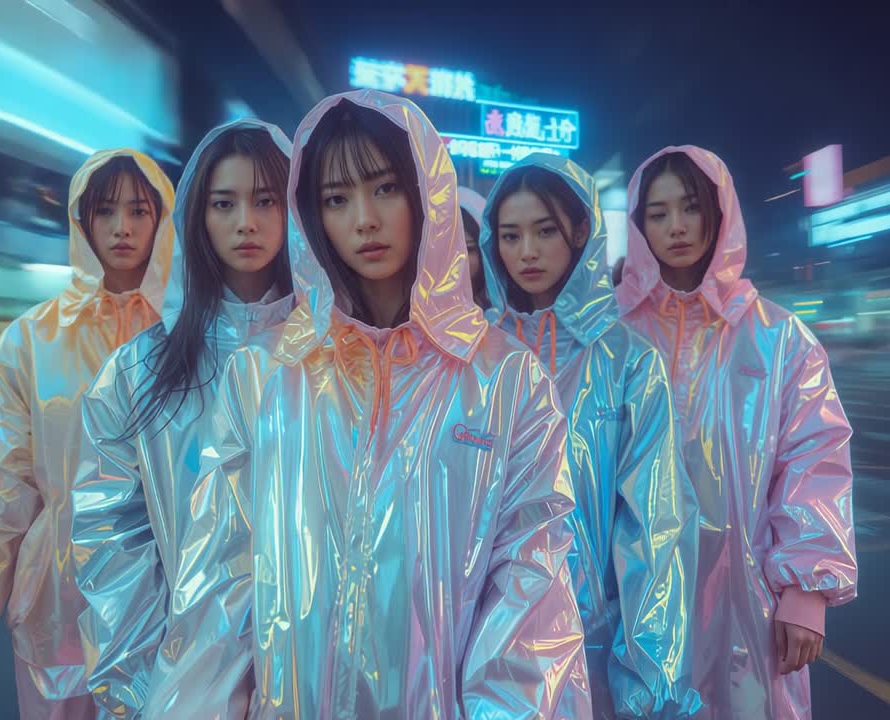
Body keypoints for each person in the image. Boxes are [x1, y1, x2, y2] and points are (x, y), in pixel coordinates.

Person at [155, 90, 591, 718]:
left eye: (385, 189)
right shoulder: (266, 374)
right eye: (337, 199)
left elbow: (530, 582)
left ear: (426, 195)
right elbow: (220, 581)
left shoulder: (506, 380)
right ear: (312, 214)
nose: (363, 219)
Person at [0, 149, 175, 719]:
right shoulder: (28, 344)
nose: (122, 227)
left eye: (139, 211)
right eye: (105, 211)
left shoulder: (189, 332)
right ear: (81, 220)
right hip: (60, 609)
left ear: (163, 219)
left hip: (172, 602)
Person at [617, 146, 857, 719]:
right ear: (638, 225)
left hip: (746, 598)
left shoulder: (779, 338)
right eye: (657, 213)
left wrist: (805, 590)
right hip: (628, 593)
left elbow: (814, 458)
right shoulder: (613, 336)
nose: (676, 227)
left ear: (720, 212)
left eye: (690, 207)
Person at [70, 119, 296, 720]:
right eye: (224, 203)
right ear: (198, 216)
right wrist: (145, 690)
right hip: (186, 684)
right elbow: (112, 540)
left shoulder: (332, 361)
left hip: (315, 680)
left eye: (265, 200)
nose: (245, 222)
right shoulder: (138, 372)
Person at [479, 154, 701, 718]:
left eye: (545, 230)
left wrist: (648, 679)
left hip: (592, 643)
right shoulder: (475, 357)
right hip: (485, 640)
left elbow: (653, 527)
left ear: (581, 231)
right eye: (511, 235)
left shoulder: (628, 362)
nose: (527, 251)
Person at [459, 184, 490, 308]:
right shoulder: (416, 311)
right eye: (447, 249)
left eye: (469, 249)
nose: (458, 259)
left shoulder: (503, 313)